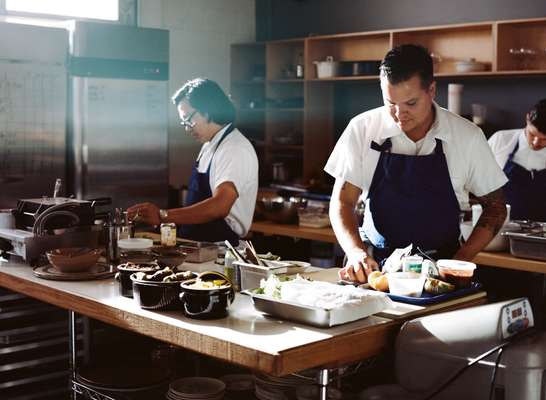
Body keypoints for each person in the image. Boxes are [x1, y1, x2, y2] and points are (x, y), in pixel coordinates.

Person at [324, 44, 508, 284]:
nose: (399, 114)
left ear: (431, 90)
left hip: (440, 274)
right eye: (390, 103)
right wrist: (356, 252)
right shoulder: (362, 129)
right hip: (374, 272)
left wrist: (460, 260)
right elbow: (342, 201)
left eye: (410, 103)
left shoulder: (467, 136)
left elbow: (496, 207)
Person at [128, 78, 258, 244]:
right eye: (184, 122)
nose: (187, 127)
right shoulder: (209, 145)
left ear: (208, 109)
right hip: (197, 245)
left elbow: (220, 205)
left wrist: (163, 216)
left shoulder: (234, 148)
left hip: (219, 249)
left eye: (189, 119)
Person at [488, 99, 546, 222]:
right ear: (527, 119)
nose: (536, 143)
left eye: (544, 139)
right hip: (503, 229)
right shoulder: (500, 141)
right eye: (532, 134)